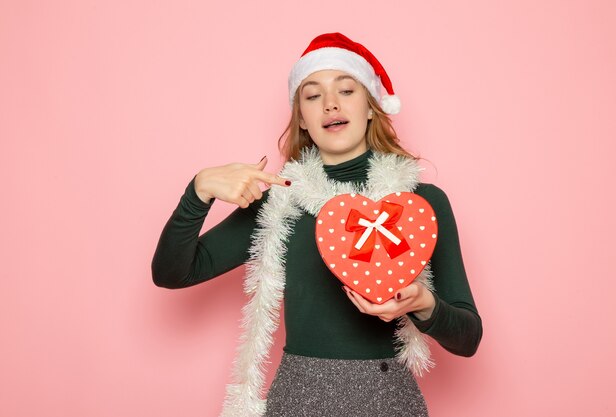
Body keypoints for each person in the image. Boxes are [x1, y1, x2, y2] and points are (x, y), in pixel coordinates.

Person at [152, 32, 482, 417]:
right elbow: (172, 273)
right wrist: (199, 191)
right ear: (303, 120)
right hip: (297, 399)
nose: (329, 104)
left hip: (390, 400)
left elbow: (468, 337)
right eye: (312, 96)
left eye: (346, 90)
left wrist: (424, 305)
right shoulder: (279, 204)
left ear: (372, 107)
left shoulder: (421, 204)